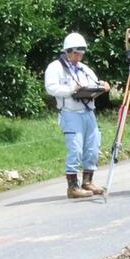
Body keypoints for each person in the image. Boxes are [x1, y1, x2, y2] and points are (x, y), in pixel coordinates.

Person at [43, 32, 108, 199]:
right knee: (75, 148)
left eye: (81, 53)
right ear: (68, 50)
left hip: (88, 111)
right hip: (70, 113)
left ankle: (88, 181)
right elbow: (51, 88)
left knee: (92, 147)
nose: (78, 56)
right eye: (76, 52)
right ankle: (72, 186)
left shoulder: (84, 68)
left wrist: (101, 85)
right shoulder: (55, 67)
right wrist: (71, 90)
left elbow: (94, 82)